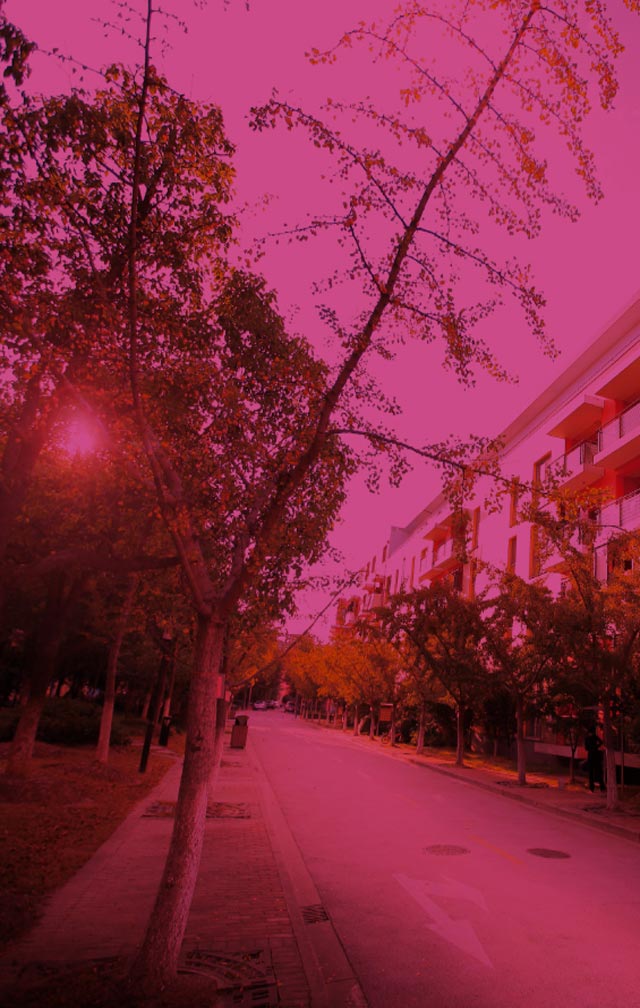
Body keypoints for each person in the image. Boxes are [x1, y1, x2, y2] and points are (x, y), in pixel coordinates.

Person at [584, 725, 605, 793]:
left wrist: (591, 748)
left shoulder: (587, 738)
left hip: (591, 756)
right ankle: (602, 788)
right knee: (598, 772)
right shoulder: (595, 737)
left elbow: (586, 748)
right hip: (596, 755)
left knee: (591, 773)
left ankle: (592, 788)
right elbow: (601, 742)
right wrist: (596, 746)